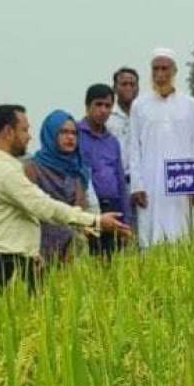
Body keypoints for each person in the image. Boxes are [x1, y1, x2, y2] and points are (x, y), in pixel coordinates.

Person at [0, 105, 130, 292]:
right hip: (4, 265)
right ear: (8, 132)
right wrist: (95, 220)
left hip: (3, 259)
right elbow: (43, 206)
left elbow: (13, 218)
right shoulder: (5, 171)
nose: (29, 137)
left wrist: (31, 252)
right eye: (24, 130)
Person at [126, 48, 194, 248]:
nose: (160, 74)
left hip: (182, 184)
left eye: (165, 69)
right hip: (150, 183)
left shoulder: (191, 105)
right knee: (151, 237)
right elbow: (133, 147)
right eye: (156, 69)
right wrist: (137, 185)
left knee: (183, 235)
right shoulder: (139, 105)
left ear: (174, 71)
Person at [22, 109, 93, 263]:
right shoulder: (32, 168)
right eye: (64, 132)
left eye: (74, 133)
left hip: (72, 251)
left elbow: (82, 209)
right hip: (39, 251)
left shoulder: (77, 170)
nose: (70, 138)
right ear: (51, 134)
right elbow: (30, 211)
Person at [79, 84, 131, 257]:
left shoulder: (112, 141)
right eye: (98, 104)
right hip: (88, 207)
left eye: (108, 106)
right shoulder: (75, 135)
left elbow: (120, 180)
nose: (103, 110)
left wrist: (126, 220)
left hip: (113, 205)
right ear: (87, 106)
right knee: (89, 258)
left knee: (113, 260)